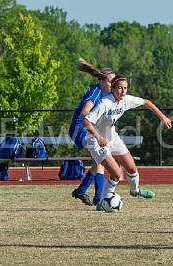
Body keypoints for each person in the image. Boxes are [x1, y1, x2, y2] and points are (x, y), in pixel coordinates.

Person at [83, 75, 172, 210]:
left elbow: (146, 102)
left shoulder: (126, 100)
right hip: (95, 141)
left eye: (125, 88)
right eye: (119, 88)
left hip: (112, 138)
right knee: (117, 174)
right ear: (112, 88)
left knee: (131, 168)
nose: (123, 91)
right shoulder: (105, 103)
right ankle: (102, 202)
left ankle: (135, 190)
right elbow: (86, 121)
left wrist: (163, 117)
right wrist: (98, 137)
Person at [69, 58, 115, 206]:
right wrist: (96, 134)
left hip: (86, 130)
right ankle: (98, 197)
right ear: (102, 81)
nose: (113, 84)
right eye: (110, 82)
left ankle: (84, 191)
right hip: (80, 129)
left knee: (99, 161)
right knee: (100, 159)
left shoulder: (105, 94)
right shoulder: (96, 92)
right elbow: (84, 113)